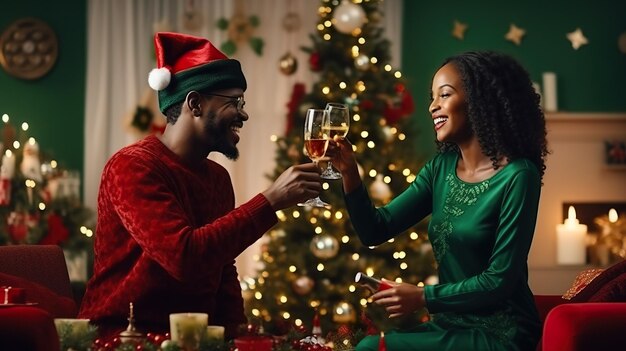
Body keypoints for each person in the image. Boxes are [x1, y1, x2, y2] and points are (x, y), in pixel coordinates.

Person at [78, 32, 323, 340]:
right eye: (235, 102)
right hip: (125, 337)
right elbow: (185, 258)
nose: (244, 113)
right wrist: (270, 200)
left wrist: (239, 337)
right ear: (194, 104)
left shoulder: (218, 178)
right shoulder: (132, 166)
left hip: (195, 339)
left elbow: (222, 270)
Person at [327, 51, 548, 350]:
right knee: (367, 344)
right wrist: (350, 173)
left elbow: (499, 281)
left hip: (502, 332)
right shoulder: (440, 169)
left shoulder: (519, 176)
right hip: (450, 324)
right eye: (433, 97)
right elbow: (375, 230)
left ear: (480, 102)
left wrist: (422, 297)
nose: (433, 106)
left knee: (369, 349)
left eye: (445, 95)